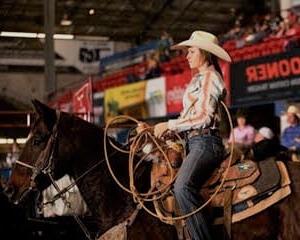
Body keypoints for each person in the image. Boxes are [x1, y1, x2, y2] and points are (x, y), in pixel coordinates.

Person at [153, 30, 231, 240]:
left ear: (204, 53)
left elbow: (204, 117)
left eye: (191, 51)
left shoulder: (209, 78)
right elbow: (188, 117)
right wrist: (168, 131)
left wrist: (170, 124)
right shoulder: (197, 79)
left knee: (182, 188)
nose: (187, 55)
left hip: (205, 143)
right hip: (194, 142)